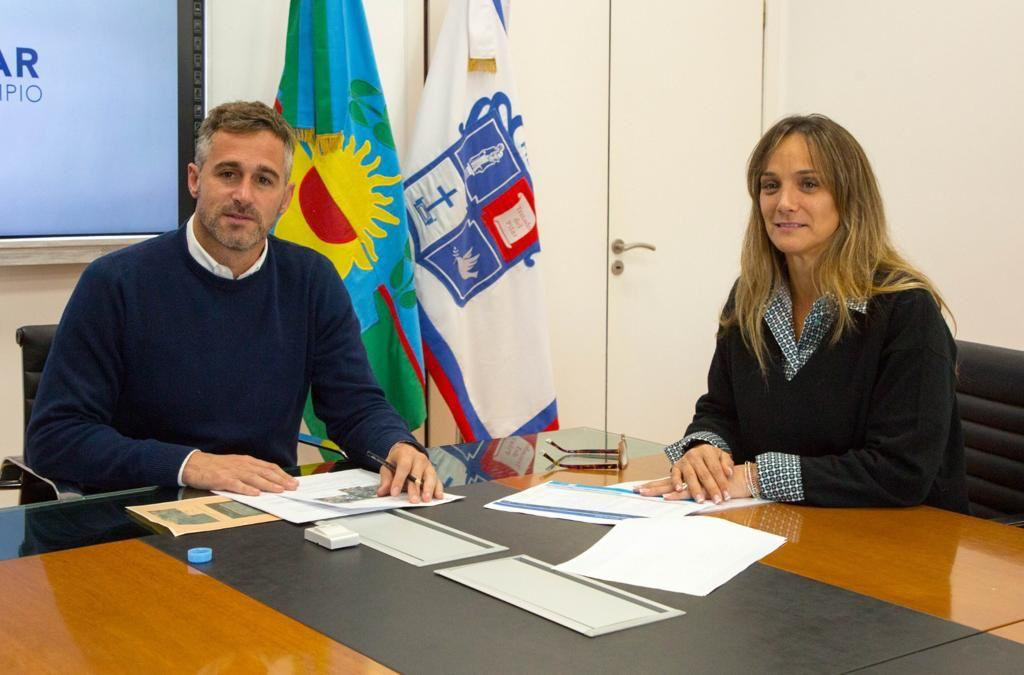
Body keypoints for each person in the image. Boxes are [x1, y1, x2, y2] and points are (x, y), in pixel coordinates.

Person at [26, 101, 442, 502]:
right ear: (194, 180)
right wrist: (190, 465)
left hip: (269, 516)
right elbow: (56, 436)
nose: (244, 195)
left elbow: (354, 406)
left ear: (285, 198)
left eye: (264, 180)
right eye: (228, 174)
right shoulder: (115, 283)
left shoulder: (311, 280)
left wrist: (396, 445)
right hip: (139, 520)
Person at [639, 114, 968, 512]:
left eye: (809, 184)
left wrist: (756, 478)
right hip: (783, 526)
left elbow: (902, 471)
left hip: (899, 543)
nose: (784, 203)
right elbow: (721, 410)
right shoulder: (750, 297)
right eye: (770, 186)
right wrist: (706, 448)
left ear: (850, 199)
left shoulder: (905, 308)